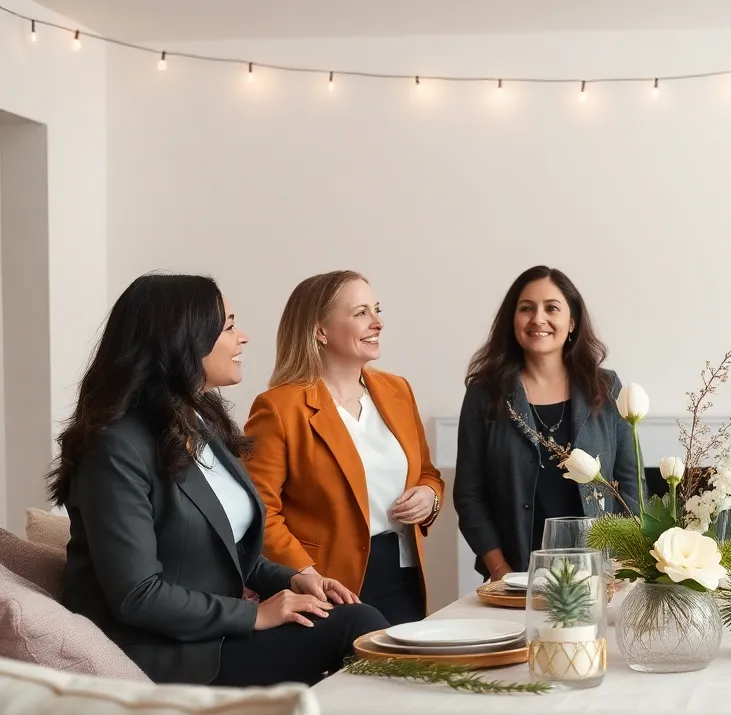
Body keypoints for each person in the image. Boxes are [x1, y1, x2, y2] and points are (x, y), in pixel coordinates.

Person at [57, 273, 386, 686]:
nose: (243, 337)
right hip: (167, 650)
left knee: (359, 622)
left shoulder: (200, 421)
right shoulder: (116, 445)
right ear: (184, 337)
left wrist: (292, 578)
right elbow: (137, 595)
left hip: (215, 631)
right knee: (355, 627)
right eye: (229, 326)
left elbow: (224, 552)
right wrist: (257, 614)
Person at [244, 271, 445, 627]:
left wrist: (430, 496)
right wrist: (304, 574)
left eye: (376, 310)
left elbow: (427, 473)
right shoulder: (279, 407)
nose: (378, 322)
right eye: (360, 313)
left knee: (409, 677)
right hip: (327, 584)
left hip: (403, 573)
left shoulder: (398, 391)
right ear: (320, 330)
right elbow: (260, 513)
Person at [455, 266, 638, 581]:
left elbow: (631, 485)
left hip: (599, 576)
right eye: (526, 308)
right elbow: (469, 495)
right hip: (515, 576)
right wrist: (502, 573)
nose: (538, 318)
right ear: (512, 320)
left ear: (572, 322)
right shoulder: (485, 394)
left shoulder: (605, 388)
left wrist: (619, 567)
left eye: (551, 308)